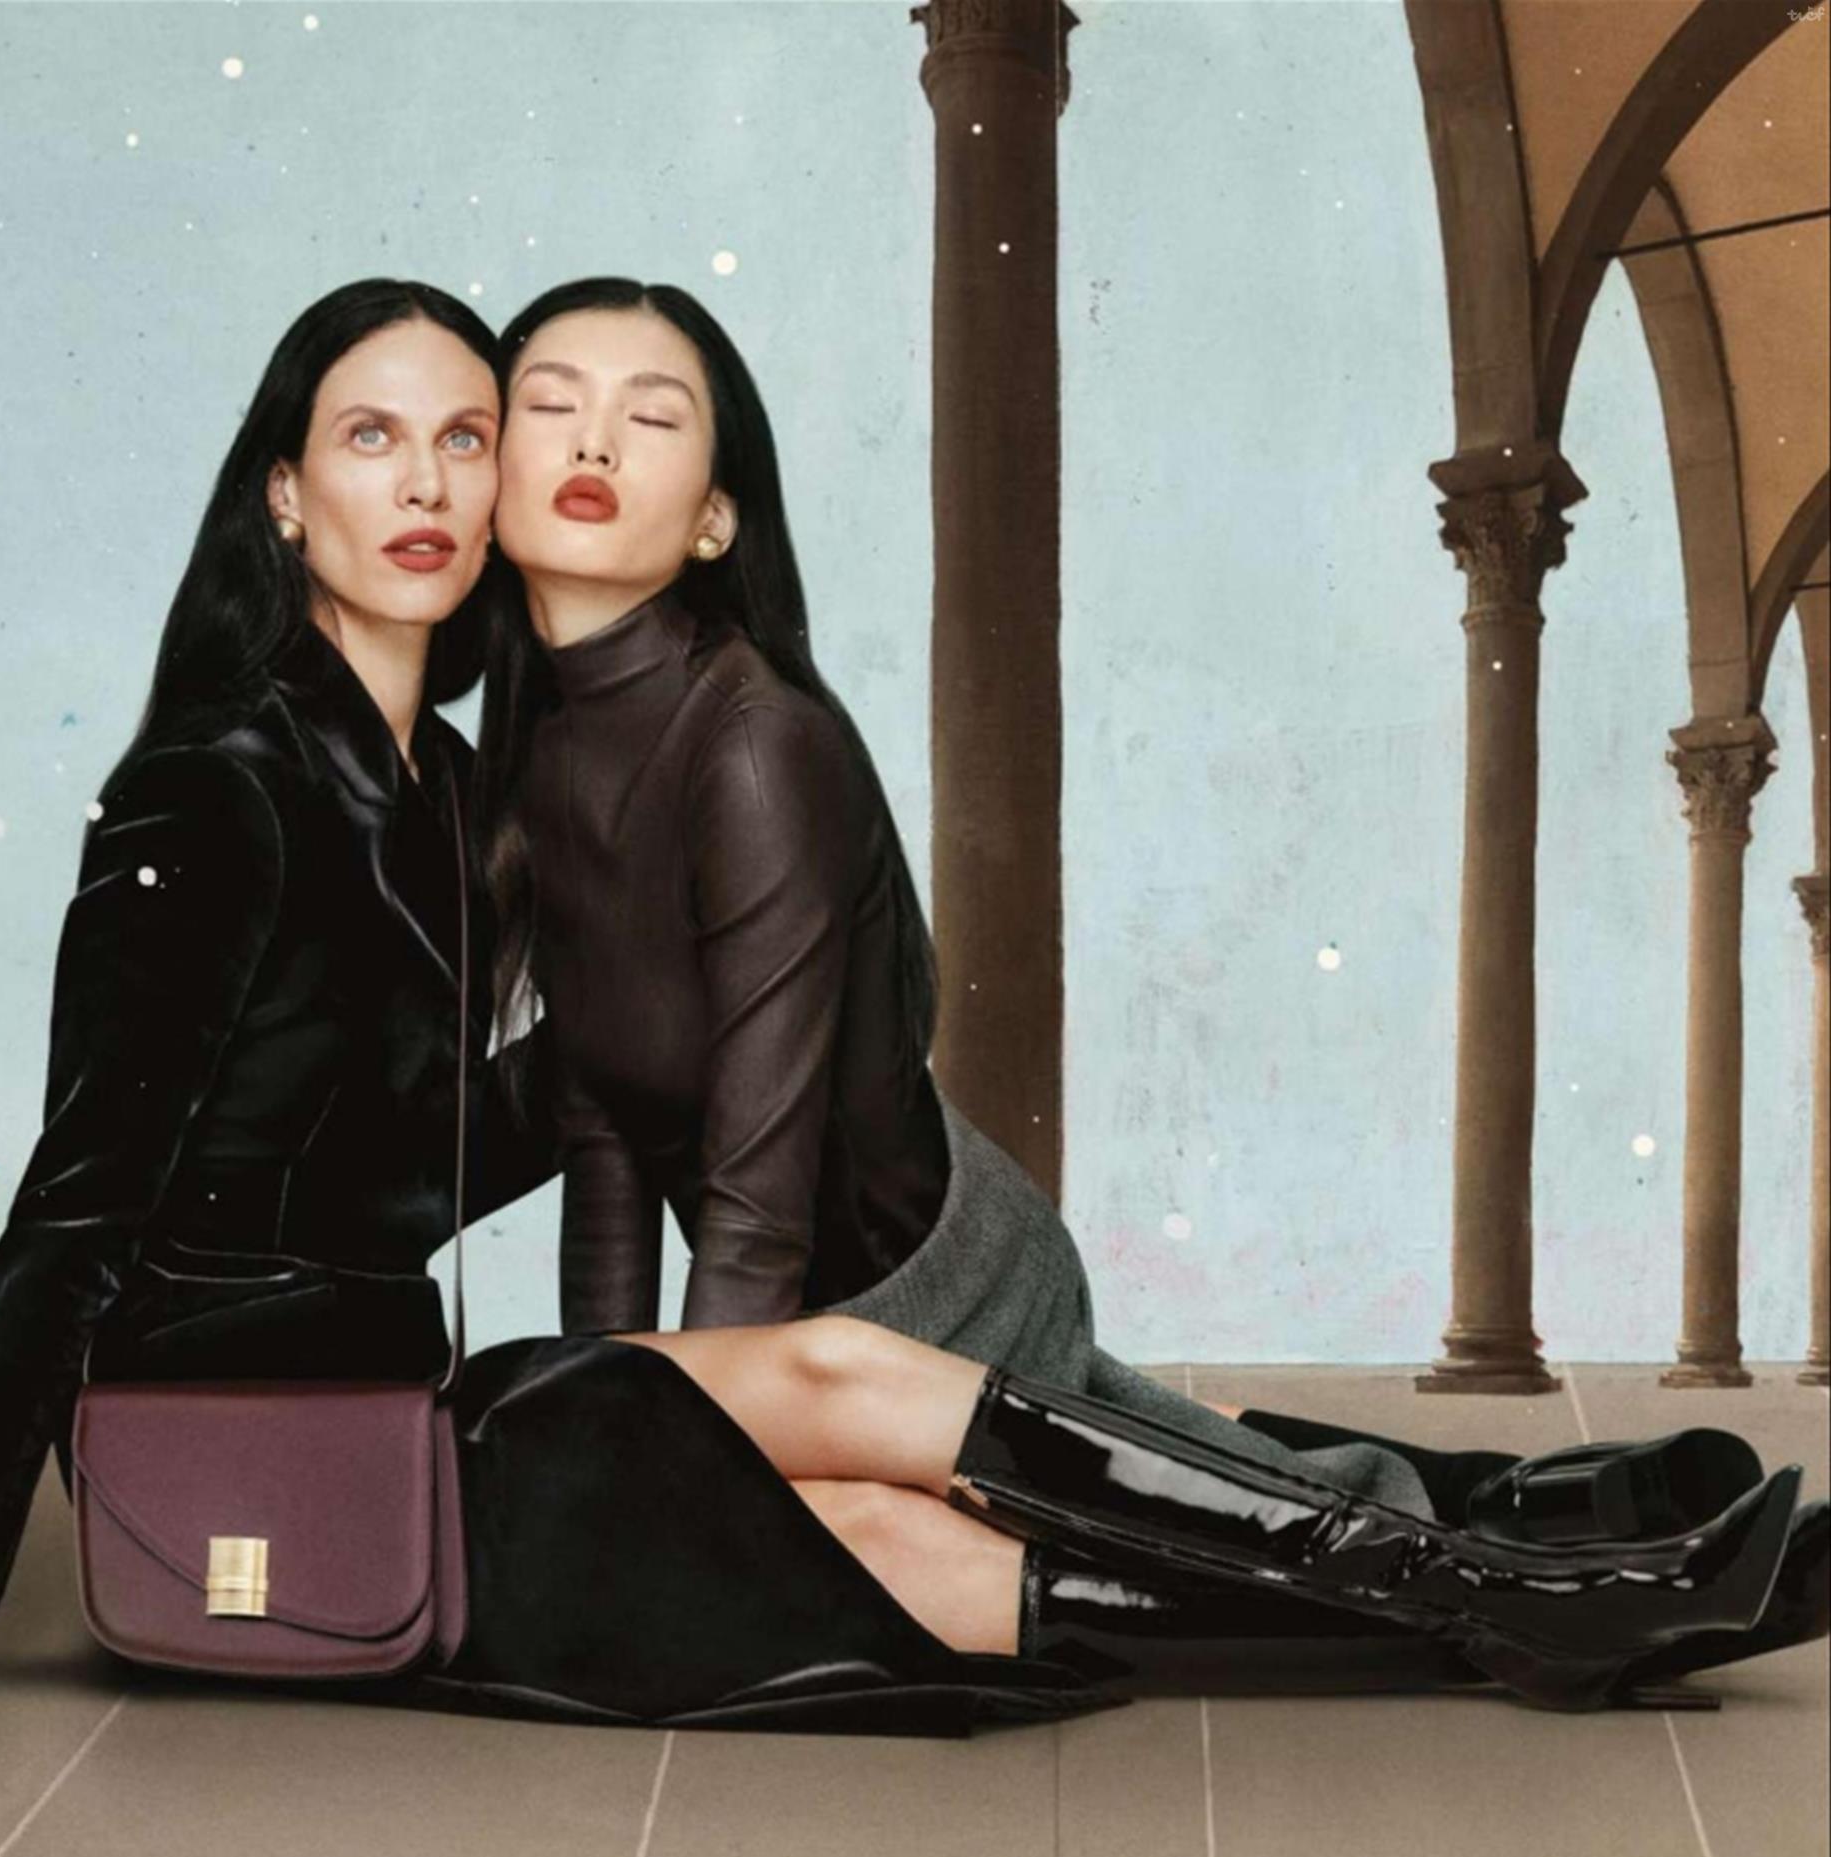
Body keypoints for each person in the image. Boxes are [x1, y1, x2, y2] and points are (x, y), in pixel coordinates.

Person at [0, 283, 1816, 1726]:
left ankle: (1527, 1611)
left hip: (406, 1385)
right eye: (366, 439)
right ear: (282, 493)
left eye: (462, 436)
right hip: (258, 1430)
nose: (426, 481)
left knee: (908, 1533)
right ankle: (1522, 1579)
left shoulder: (448, 795)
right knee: (846, 1395)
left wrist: (638, 1058)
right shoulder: (219, 788)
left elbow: (434, 1154)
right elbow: (84, 1197)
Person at [472, 274, 1792, 1564]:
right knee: (1209, 1493)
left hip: (930, 1288)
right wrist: (604, 1406)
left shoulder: (757, 747)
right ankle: (1504, 1498)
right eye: (552, 404)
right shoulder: (540, 755)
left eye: (652, 417)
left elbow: (756, 1203)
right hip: (818, 1329)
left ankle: (1527, 1541)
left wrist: (681, 1466)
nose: (595, 441)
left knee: (1222, 1548)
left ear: (715, 520)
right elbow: (607, 1133)